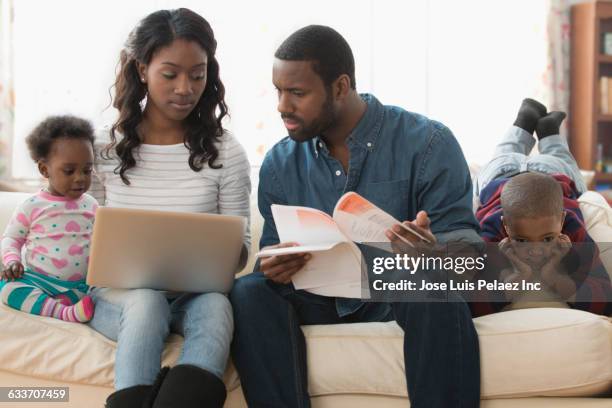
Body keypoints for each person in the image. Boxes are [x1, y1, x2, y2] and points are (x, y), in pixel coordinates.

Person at [230, 25, 481, 408]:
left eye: (297, 93)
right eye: (279, 91)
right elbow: (270, 255)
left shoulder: (428, 142)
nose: (282, 105)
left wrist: (434, 252)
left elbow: (469, 247)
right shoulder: (280, 163)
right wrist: (275, 265)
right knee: (249, 292)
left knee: (433, 286)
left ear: (340, 86)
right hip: (320, 297)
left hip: (398, 297)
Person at [86, 9, 251, 408]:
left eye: (198, 74)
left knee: (215, 305)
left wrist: (220, 251)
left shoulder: (226, 151)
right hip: (118, 297)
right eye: (171, 73)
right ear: (143, 69)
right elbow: (79, 232)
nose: (185, 88)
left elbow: (241, 251)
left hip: (194, 295)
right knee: (145, 301)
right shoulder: (101, 146)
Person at [474, 98, 612, 315]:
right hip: (518, 174)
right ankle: (546, 130)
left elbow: (606, 302)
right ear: (505, 225)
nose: (536, 250)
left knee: (511, 153)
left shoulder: (573, 229)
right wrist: (515, 282)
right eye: (521, 239)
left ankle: (527, 123)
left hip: (512, 172)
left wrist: (555, 277)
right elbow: (468, 304)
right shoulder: (491, 233)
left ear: (563, 219)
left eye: (548, 238)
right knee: (557, 157)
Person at [0, 115, 97, 323]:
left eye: (87, 170)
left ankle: (59, 305)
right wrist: (12, 261)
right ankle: (64, 313)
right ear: (45, 169)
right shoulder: (32, 206)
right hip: (40, 281)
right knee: (6, 288)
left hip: (80, 287)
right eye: (69, 171)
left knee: (102, 293)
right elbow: (11, 238)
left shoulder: (92, 205)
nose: (80, 177)